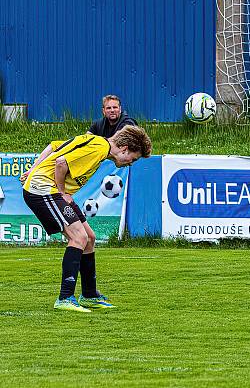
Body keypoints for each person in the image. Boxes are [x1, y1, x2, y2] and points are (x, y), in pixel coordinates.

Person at [19, 125, 152, 312]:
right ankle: (65, 298)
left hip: (49, 187)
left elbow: (53, 146)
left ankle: (89, 295)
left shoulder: (97, 142)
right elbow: (60, 163)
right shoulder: (98, 148)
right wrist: (62, 192)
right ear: (124, 149)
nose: (130, 163)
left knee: (89, 238)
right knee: (78, 238)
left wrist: (33, 169)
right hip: (43, 189)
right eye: (133, 159)